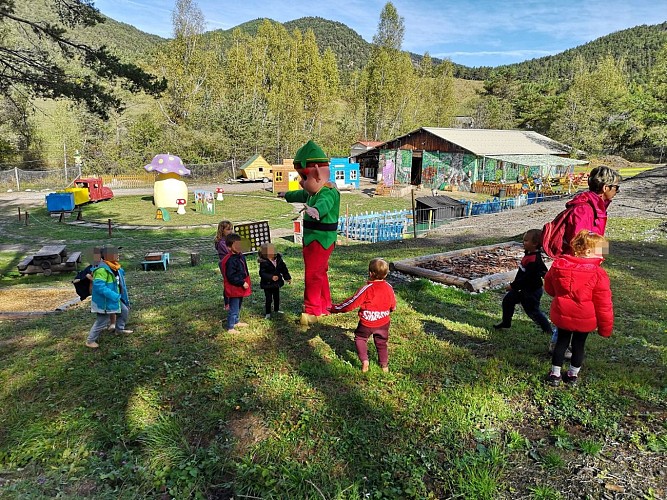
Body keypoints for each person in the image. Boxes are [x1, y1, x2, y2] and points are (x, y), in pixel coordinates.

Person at [278, 140, 340, 326]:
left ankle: (311, 312)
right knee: (320, 273)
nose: (301, 182)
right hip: (313, 240)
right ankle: (324, 305)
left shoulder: (327, 193)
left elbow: (324, 205)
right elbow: (300, 195)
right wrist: (286, 195)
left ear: (318, 174)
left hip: (320, 241)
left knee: (312, 275)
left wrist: (316, 211)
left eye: (304, 177)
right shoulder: (314, 193)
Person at [545, 230, 614, 386]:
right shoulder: (598, 273)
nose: (603, 256)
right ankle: (572, 375)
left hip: (563, 313)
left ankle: (555, 374)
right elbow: (604, 304)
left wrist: (560, 294)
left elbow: (549, 288)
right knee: (578, 345)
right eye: (600, 251)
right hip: (585, 318)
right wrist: (605, 328)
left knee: (561, 342)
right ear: (588, 251)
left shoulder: (558, 266)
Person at [329, 258, 397, 373]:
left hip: (367, 323)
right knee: (381, 343)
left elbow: (351, 303)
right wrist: (391, 309)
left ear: (370, 273)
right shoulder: (389, 287)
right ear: (385, 275)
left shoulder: (366, 289)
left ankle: (365, 361)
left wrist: (335, 308)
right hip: (384, 322)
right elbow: (393, 304)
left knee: (360, 338)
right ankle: (384, 366)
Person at [493, 229, 558, 347]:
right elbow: (542, 269)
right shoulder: (530, 254)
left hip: (531, 291)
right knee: (508, 301)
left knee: (533, 311)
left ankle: (547, 329)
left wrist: (512, 286)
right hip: (521, 289)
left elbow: (527, 278)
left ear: (535, 244)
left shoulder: (534, 259)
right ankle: (506, 322)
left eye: (526, 240)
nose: (523, 242)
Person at [561, 165, 621, 256]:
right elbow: (579, 245)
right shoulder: (584, 210)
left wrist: (601, 256)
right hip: (581, 264)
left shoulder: (598, 207)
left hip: (591, 260)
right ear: (605, 188)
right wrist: (593, 262)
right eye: (616, 188)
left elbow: (598, 236)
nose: (617, 191)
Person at [85, 246, 132, 349]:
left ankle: (119, 330)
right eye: (115, 253)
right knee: (102, 320)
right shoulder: (101, 270)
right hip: (105, 301)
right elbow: (99, 287)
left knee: (124, 311)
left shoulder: (115, 267)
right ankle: (90, 340)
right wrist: (114, 295)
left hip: (115, 298)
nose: (118, 255)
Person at [219, 233, 251, 333]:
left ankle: (236, 321)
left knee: (238, 305)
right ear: (229, 247)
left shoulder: (239, 256)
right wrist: (242, 282)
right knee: (233, 307)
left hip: (240, 286)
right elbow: (231, 276)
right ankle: (230, 327)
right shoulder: (231, 260)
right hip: (235, 287)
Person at [258, 242, 292, 319]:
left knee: (277, 297)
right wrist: (271, 277)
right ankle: (268, 313)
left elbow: (284, 269)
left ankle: (276, 309)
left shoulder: (279, 259)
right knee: (268, 299)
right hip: (267, 284)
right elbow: (262, 273)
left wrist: (287, 278)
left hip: (276, 283)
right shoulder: (264, 262)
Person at [214, 220, 234, 310]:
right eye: (228, 229)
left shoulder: (228, 240)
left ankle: (232, 300)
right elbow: (230, 252)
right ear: (222, 230)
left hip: (231, 264)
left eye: (231, 229)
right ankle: (227, 303)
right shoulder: (222, 243)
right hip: (225, 265)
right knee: (228, 283)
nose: (231, 231)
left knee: (232, 282)